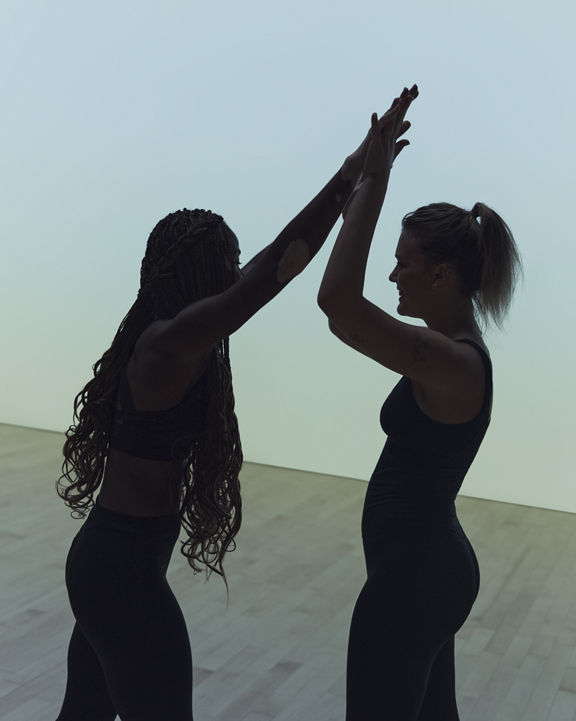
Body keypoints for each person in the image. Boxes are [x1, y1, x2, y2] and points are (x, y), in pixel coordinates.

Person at [54, 106, 398, 721]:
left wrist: (353, 173)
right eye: (222, 268)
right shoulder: (169, 345)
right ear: (203, 275)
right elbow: (266, 276)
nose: (230, 277)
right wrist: (351, 177)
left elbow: (263, 266)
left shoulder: (165, 338)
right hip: (122, 571)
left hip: (110, 562)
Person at [318, 86, 521, 720]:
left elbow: (338, 305)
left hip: (416, 582)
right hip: (422, 575)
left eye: (403, 263)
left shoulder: (455, 362)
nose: (392, 274)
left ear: (439, 275)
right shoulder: (443, 349)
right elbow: (345, 314)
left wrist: (371, 184)